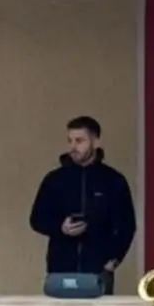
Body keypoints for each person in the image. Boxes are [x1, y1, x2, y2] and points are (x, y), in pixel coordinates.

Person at [30, 116, 136, 292]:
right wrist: (61, 227)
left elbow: (127, 226)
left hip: (99, 270)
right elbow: (37, 219)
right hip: (60, 269)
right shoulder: (54, 180)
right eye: (70, 140)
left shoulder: (113, 181)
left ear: (96, 142)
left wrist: (113, 261)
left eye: (79, 141)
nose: (73, 147)